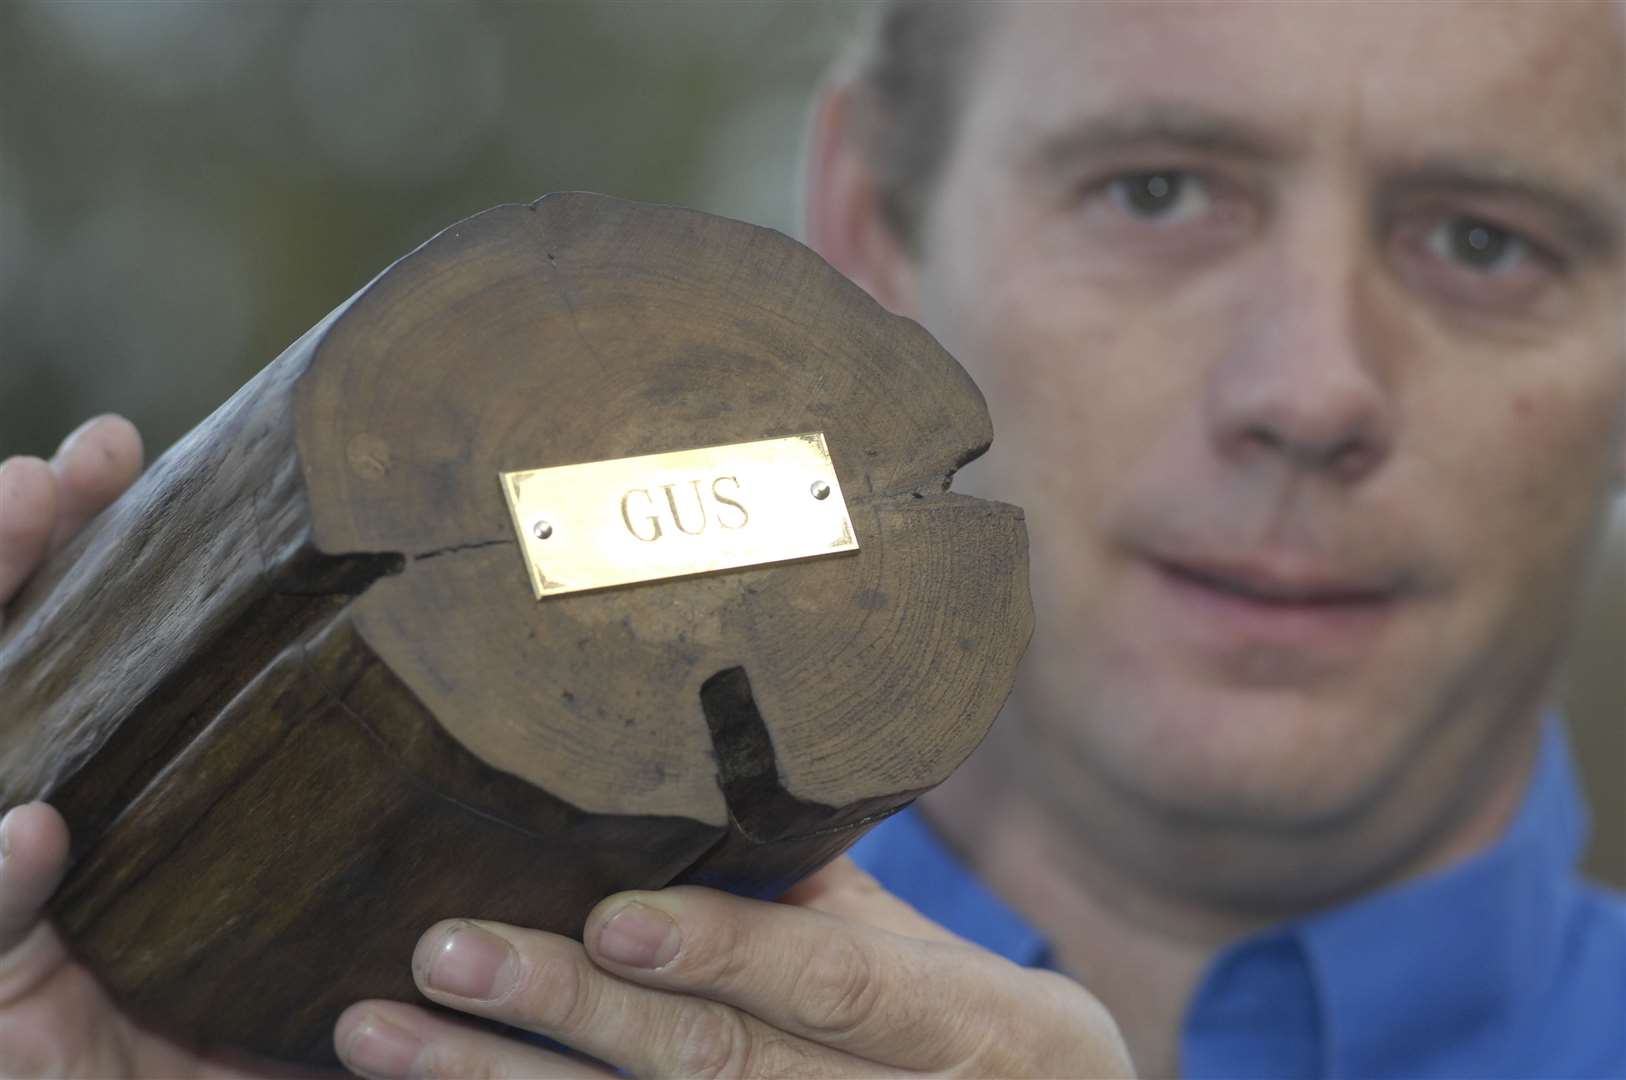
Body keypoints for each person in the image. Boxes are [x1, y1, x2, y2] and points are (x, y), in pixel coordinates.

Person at [2, 1, 1622, 1076]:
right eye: (1154, 193)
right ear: (863, 228)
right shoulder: (316, 1005)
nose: (1310, 388)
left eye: (1487, 239)